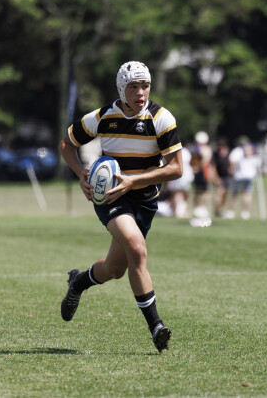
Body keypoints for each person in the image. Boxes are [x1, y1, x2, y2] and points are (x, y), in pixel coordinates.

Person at [58, 61, 182, 353]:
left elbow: (176, 169)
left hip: (145, 200)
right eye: (133, 87)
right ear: (121, 89)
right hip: (111, 195)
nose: (140, 92)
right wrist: (81, 173)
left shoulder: (161, 119)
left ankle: (78, 282)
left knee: (115, 269)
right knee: (137, 248)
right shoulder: (103, 117)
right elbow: (67, 144)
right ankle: (156, 327)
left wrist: (134, 181)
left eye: (145, 86)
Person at [225, 136, 261, 220]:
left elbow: (232, 161)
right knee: (247, 194)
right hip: (250, 176)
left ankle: (231, 212)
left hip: (239, 176)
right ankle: (245, 212)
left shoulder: (237, 150)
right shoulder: (253, 150)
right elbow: (258, 164)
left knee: (234, 193)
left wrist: (232, 168)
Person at [190, 131, 213, 220]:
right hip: (202, 172)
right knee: (204, 191)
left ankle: (198, 208)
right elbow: (205, 162)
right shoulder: (206, 149)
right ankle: (200, 208)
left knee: (199, 191)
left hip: (199, 172)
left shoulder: (195, 149)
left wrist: (196, 168)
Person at [212, 137, 231, 217]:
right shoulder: (215, 154)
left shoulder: (229, 153)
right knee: (219, 193)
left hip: (227, 177)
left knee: (225, 194)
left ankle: (221, 209)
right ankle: (217, 210)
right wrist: (216, 178)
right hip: (219, 177)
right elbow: (214, 167)